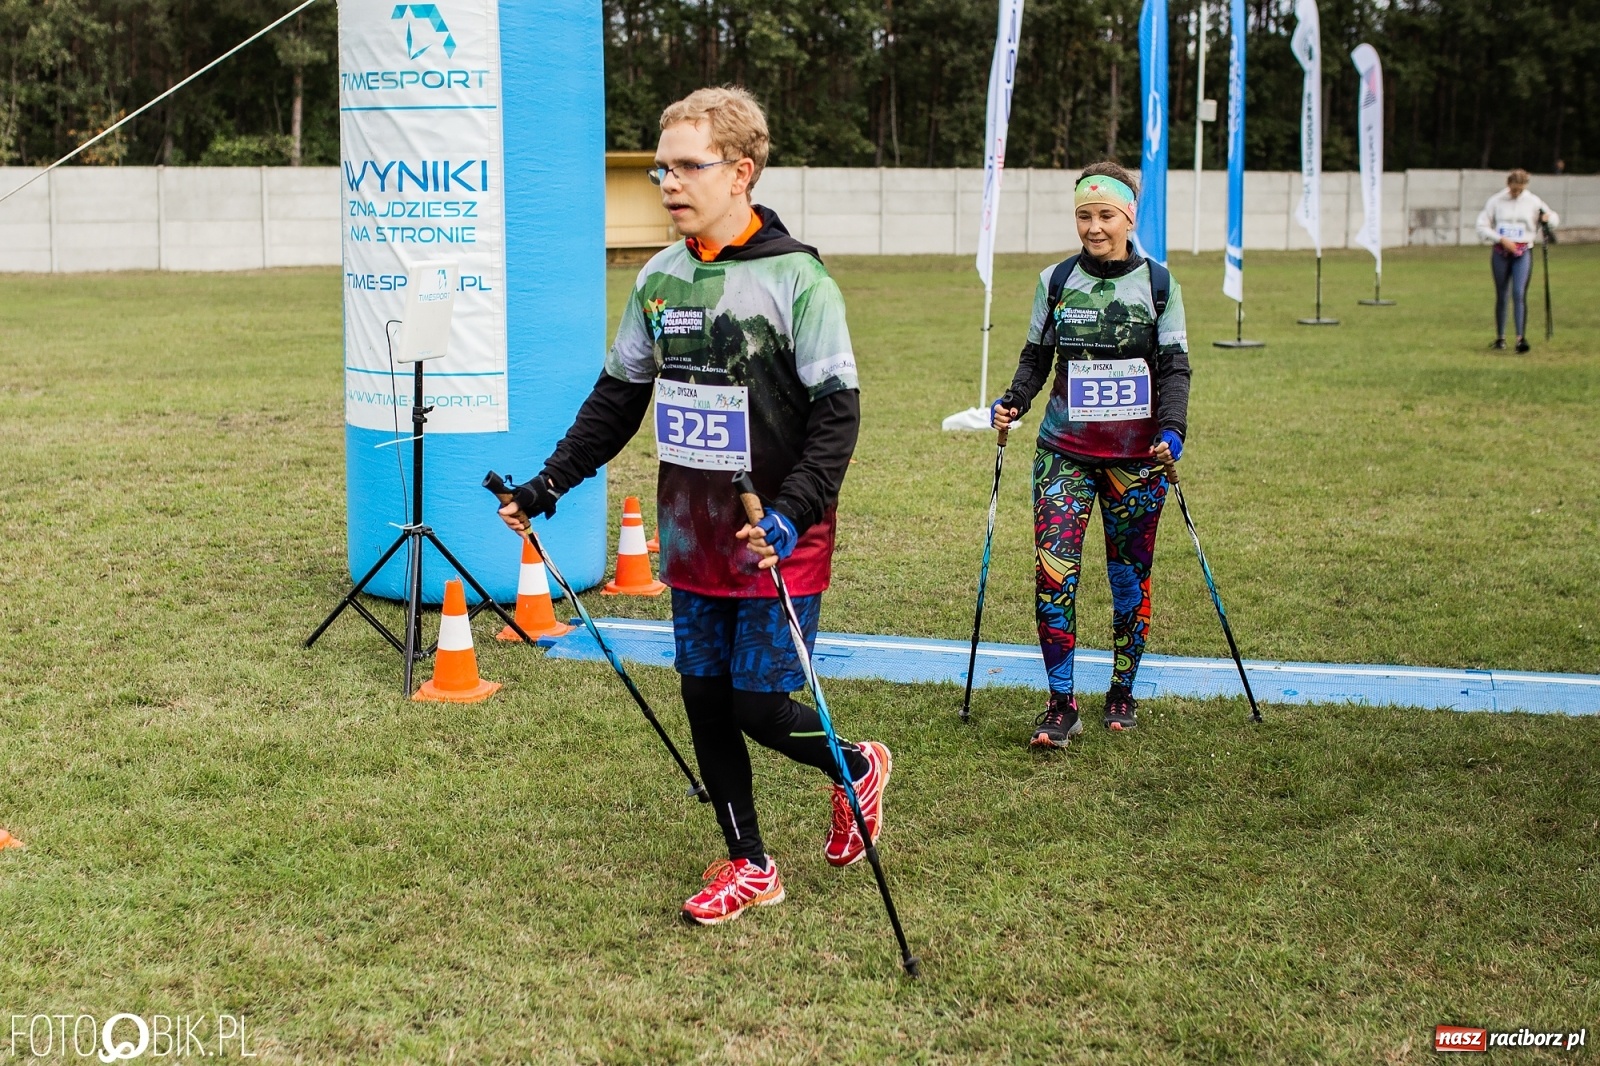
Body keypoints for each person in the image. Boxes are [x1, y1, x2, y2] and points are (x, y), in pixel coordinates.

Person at [497, 87, 890, 926]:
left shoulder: (799, 279)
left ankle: (856, 767)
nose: (668, 182)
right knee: (705, 699)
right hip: (691, 536)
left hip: (779, 535)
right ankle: (751, 862)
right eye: (660, 167)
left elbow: (838, 415)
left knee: (758, 704)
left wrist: (791, 512)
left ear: (741, 171)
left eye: (687, 166)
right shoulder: (658, 278)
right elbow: (617, 400)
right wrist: (549, 484)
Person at [990, 162, 1191, 749]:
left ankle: (1123, 690)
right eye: (1085, 215)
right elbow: (1036, 356)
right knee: (1053, 576)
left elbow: (1175, 366)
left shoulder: (1159, 283)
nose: (1094, 227)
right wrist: (1015, 400)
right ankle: (1060, 703)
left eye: (1105, 215)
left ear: (1129, 216)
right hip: (1065, 453)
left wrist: (1173, 429)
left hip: (1137, 460)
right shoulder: (1056, 281)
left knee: (1130, 580)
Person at [1476, 168, 1559, 353]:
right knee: (1502, 294)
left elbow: (1553, 218)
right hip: (1501, 251)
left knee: (1518, 293)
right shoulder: (1496, 201)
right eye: (1514, 189)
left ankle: (1520, 338)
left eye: (1520, 190)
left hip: (1523, 251)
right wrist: (1500, 239)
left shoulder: (1533, 201)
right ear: (1508, 185)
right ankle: (1501, 337)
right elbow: (1481, 226)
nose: (1517, 193)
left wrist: (1548, 218)